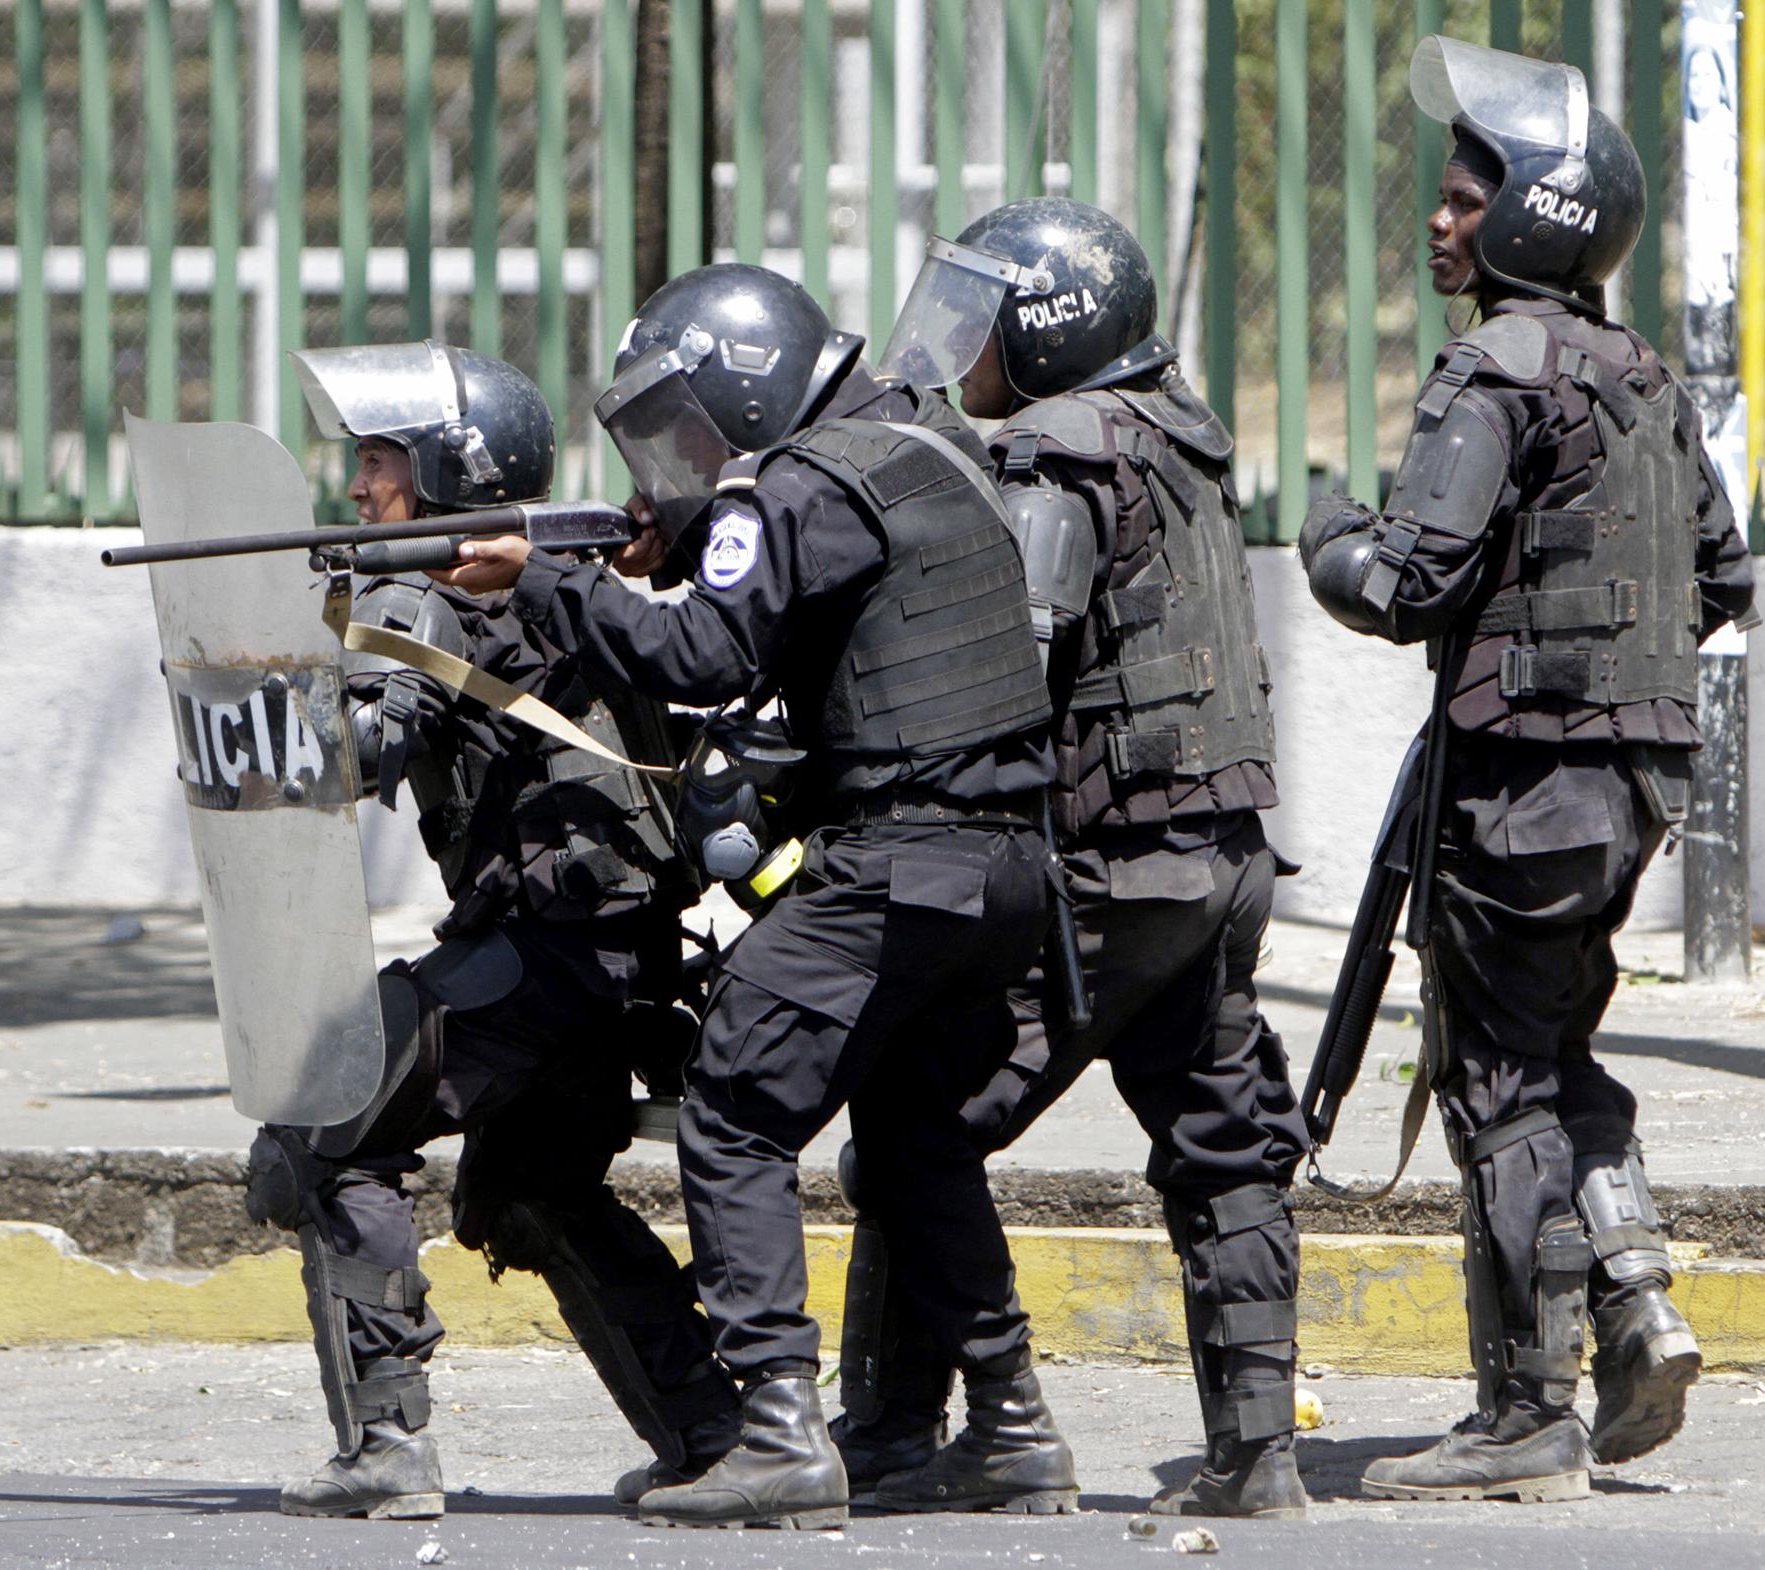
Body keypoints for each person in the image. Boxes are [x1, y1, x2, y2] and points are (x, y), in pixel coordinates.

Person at [440, 263, 1078, 1529]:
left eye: (692, 426)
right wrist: (662, 548)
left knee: (732, 1104)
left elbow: (702, 652)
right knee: (912, 1133)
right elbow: (819, 620)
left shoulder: (795, 482)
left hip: (902, 856)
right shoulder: (918, 444)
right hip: (1006, 866)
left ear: (740, 385)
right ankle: (1010, 1427)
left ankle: (778, 1430)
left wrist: (546, 579)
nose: (693, 457)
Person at [1296, 37, 1758, 1502]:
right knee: (1550, 1055)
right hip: (1629, 791)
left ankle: (1523, 1413)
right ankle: (1633, 1293)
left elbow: (1408, 589)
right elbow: (1728, 575)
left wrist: (1327, 547)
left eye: (1461, 195)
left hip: (1523, 784)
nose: (1439, 220)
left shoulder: (1494, 367)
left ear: (1530, 216)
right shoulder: (1643, 375)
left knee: (1495, 1079)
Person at [825, 198, 1311, 1520]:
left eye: (984, 318)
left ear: (1041, 332)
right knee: (1221, 1140)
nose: (958, 345)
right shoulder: (1177, 430)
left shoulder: (1051, 449)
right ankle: (1258, 1452)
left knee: (915, 1119)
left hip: (1106, 869)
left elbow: (1012, 654)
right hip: (1220, 860)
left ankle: (933, 1427)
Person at [242, 340, 739, 1519]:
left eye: (379, 460)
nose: (359, 488)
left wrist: (265, 713)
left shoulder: (421, 592)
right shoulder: (565, 574)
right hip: (621, 958)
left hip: (536, 955)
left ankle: (386, 1451)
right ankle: (715, 1435)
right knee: (534, 1189)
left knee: (322, 1123)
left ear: (448, 468)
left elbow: (370, 748)